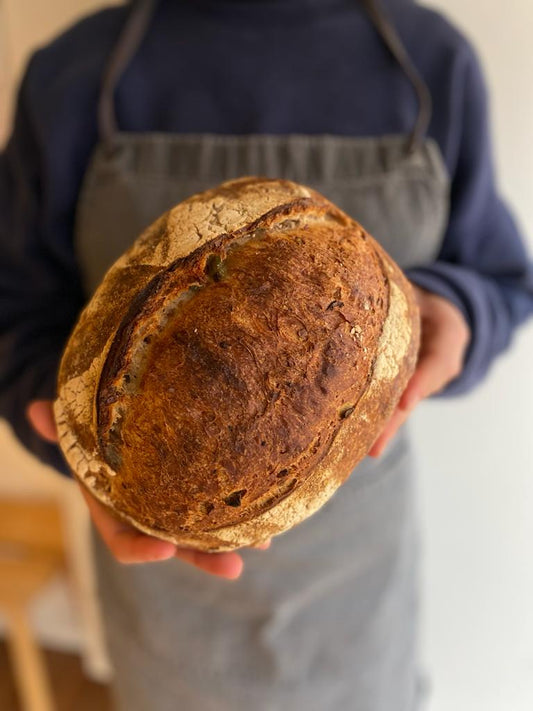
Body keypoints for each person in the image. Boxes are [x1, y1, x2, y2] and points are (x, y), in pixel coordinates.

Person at [1, 0, 532, 709]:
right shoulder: (76, 72)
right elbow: (13, 312)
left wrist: (455, 311)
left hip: (357, 602)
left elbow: (503, 280)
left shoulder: (429, 62)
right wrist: (68, 433)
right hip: (167, 607)